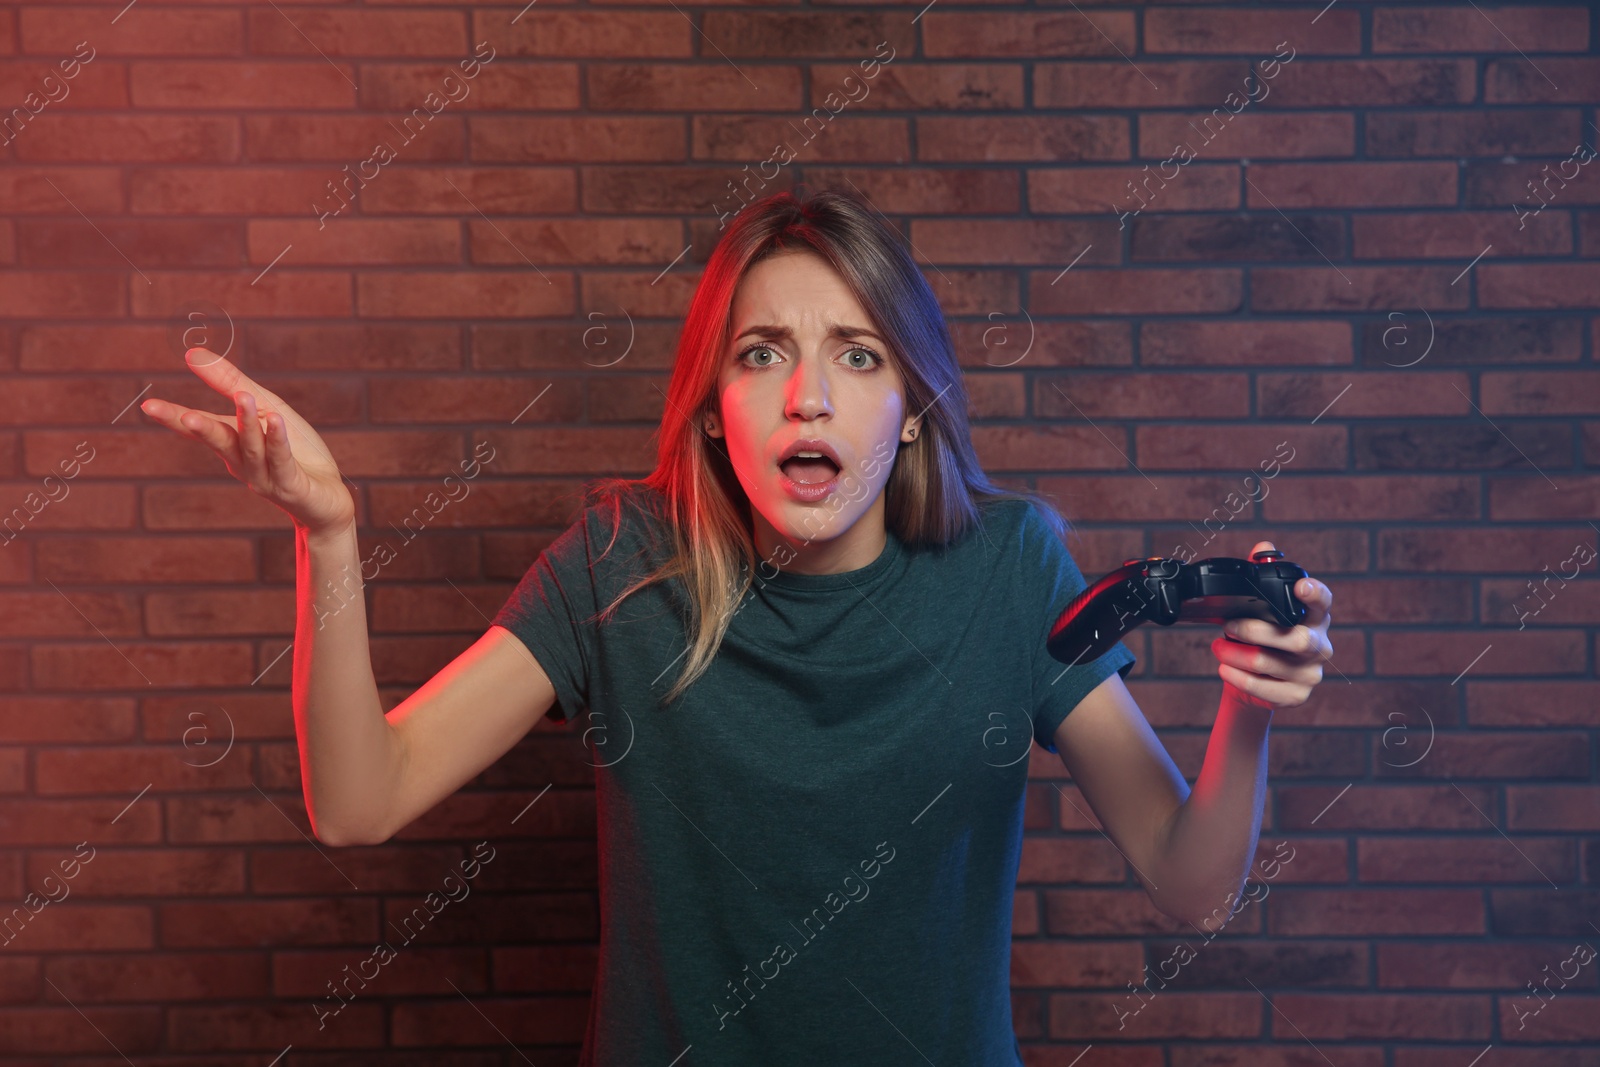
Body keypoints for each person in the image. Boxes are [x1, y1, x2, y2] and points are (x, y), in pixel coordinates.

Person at [139, 186, 1334, 1065]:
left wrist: (1247, 706)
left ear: (910, 410)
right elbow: (361, 800)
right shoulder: (618, 563)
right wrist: (332, 536)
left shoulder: (1010, 566)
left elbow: (1190, 881)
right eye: (763, 353)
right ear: (715, 408)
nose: (807, 392)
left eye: (856, 356)